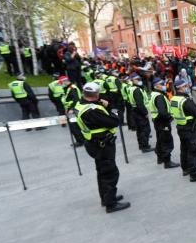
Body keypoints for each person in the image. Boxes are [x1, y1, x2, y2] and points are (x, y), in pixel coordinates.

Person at [75, 83, 130, 213]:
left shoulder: (81, 105)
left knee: (102, 171)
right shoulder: (93, 111)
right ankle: (110, 204)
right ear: (97, 94)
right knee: (110, 173)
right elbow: (115, 121)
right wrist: (113, 109)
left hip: (94, 143)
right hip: (102, 144)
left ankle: (106, 198)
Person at [170, 79, 196, 182]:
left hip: (180, 128)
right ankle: (194, 174)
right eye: (185, 86)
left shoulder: (173, 99)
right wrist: (190, 99)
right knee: (194, 150)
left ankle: (185, 169)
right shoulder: (185, 101)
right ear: (181, 87)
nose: (187, 87)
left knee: (185, 149)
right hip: (189, 129)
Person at [149, 78, 180, 169]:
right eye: (161, 84)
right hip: (163, 122)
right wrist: (169, 117)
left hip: (157, 121)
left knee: (160, 139)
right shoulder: (159, 97)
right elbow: (162, 112)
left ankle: (160, 158)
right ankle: (167, 162)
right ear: (156, 86)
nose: (163, 85)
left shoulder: (153, 94)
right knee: (166, 141)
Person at [127, 74, 154, 153]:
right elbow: (140, 103)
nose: (139, 80)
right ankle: (144, 146)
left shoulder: (131, 88)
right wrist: (145, 112)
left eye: (139, 78)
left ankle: (142, 145)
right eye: (137, 79)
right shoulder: (137, 90)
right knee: (144, 130)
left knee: (140, 130)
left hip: (135, 111)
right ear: (133, 80)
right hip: (140, 112)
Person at [60, 76, 84, 146]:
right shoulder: (68, 88)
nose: (61, 84)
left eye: (61, 82)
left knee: (74, 127)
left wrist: (71, 109)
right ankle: (80, 140)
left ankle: (80, 141)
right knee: (74, 126)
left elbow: (76, 99)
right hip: (70, 109)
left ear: (65, 81)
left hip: (73, 110)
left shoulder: (72, 88)